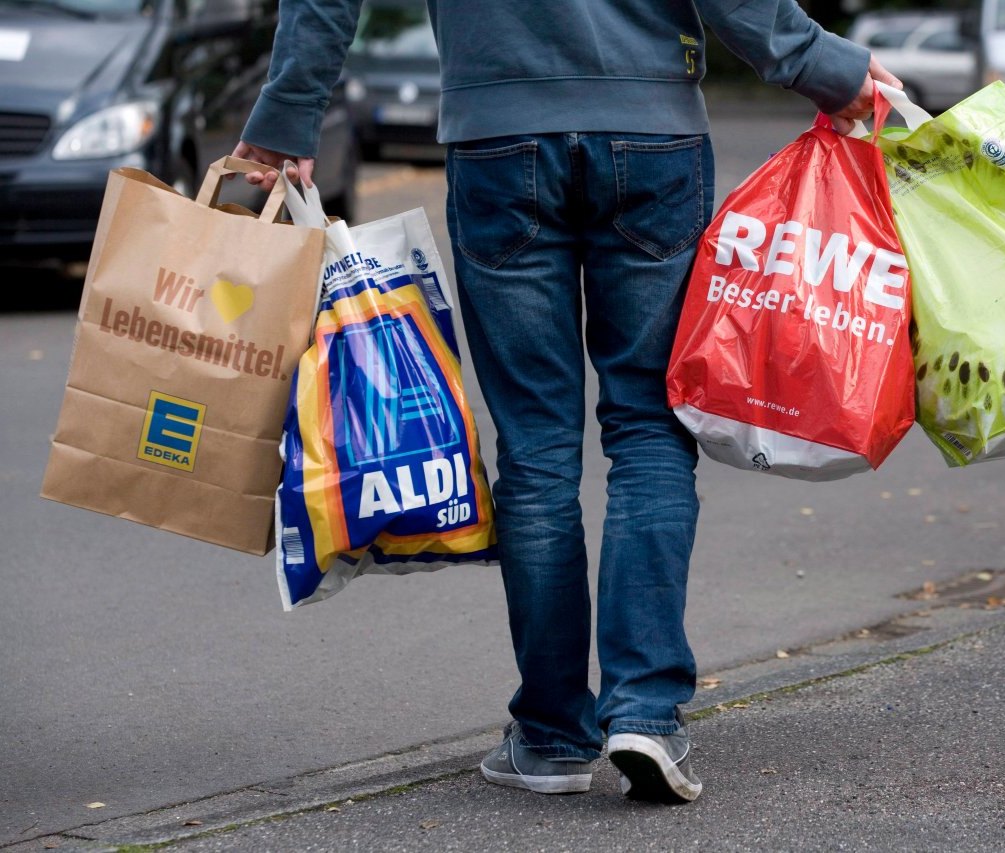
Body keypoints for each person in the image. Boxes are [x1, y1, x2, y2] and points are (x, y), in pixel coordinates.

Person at [234, 0, 900, 805]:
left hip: (497, 133)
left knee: (537, 448)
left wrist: (287, 117)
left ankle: (551, 736)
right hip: (650, 130)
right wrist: (822, 68)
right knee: (649, 429)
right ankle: (646, 713)